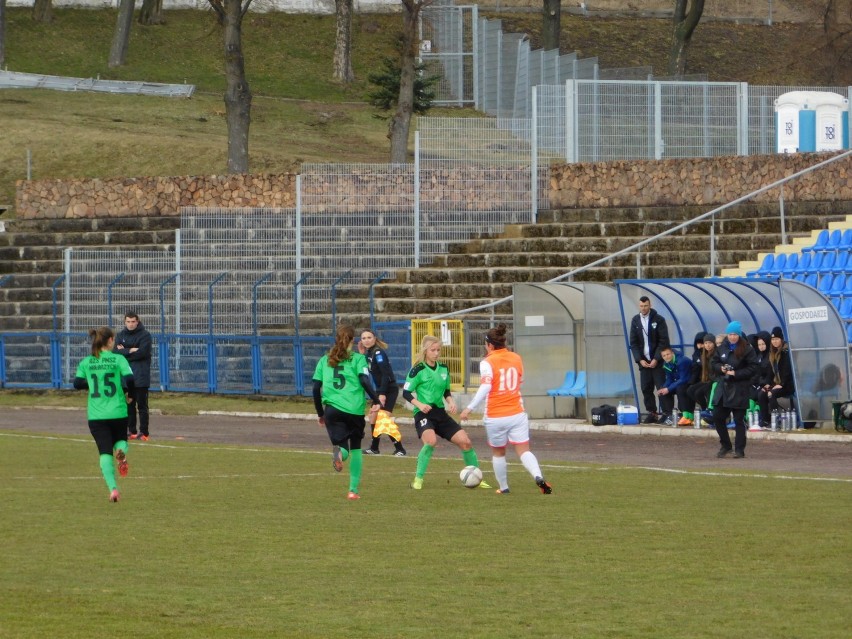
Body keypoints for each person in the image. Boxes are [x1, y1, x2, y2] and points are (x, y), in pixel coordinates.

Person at [459, 323, 552, 495]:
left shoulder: (487, 362)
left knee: (499, 452)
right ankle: (538, 476)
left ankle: (503, 487)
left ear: (490, 345)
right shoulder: (516, 358)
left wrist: (469, 408)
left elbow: (486, 387)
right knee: (524, 450)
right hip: (516, 412)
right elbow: (519, 382)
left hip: (495, 415)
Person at [402, 335, 490, 491]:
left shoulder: (443, 368)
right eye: (433, 350)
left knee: (466, 442)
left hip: (440, 414)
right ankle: (418, 479)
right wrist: (420, 405)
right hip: (423, 414)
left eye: (438, 350)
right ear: (425, 350)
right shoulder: (418, 369)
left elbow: (446, 391)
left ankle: (477, 477)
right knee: (430, 442)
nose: (436, 353)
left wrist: (451, 401)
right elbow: (406, 393)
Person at [312, 324, 382, 501]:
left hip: (332, 410)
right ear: (352, 340)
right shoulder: (358, 359)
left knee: (343, 447)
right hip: (354, 409)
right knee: (356, 448)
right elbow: (365, 380)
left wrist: (320, 413)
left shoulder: (324, 360)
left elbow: (315, 388)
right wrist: (376, 400)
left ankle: (340, 455)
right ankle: (353, 491)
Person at [73, 326, 136, 503]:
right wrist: (131, 395)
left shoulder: (87, 362)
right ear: (110, 341)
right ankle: (122, 451)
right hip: (117, 410)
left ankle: (113, 489)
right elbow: (130, 379)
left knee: (104, 452)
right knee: (121, 440)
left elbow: (77, 383)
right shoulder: (118, 359)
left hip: (96, 415)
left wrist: (94, 385)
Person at [710, 321, 758, 458]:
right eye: (730, 334)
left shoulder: (747, 348)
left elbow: (753, 368)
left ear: (739, 334)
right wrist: (721, 368)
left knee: (738, 420)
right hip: (723, 388)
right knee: (717, 417)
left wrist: (736, 373)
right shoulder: (722, 346)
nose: (732, 337)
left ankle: (739, 450)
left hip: (739, 389)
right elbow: (713, 362)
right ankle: (726, 445)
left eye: (735, 334)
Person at [358, 329, 406, 457]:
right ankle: (374, 448)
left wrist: (382, 394)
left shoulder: (378, 353)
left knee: (383, 419)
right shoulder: (368, 353)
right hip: (380, 390)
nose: (366, 340)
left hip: (388, 389)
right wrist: (362, 355)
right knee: (373, 417)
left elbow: (385, 374)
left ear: (374, 338)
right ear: (361, 341)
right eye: (364, 338)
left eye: (369, 337)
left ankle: (400, 448)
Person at [628, 296, 670, 423]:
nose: (643, 308)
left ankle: (667, 413)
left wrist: (656, 358)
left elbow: (663, 341)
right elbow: (633, 343)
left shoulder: (659, 320)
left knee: (661, 387)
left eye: (646, 306)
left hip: (657, 361)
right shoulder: (635, 320)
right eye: (641, 306)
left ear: (650, 305)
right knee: (646, 388)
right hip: (644, 362)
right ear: (638, 306)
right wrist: (639, 359)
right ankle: (652, 412)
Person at [114, 311, 153, 441]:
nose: (130, 324)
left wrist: (124, 351)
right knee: (128, 406)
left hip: (141, 376)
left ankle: (144, 432)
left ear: (137, 322)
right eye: (128, 322)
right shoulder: (120, 335)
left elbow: (142, 353)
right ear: (125, 322)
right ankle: (132, 431)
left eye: (133, 321)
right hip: (125, 377)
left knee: (142, 406)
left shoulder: (145, 335)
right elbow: (116, 353)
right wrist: (131, 350)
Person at [756, 326, 795, 427]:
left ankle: (775, 420)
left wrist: (781, 384)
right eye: (773, 339)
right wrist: (768, 384)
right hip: (776, 383)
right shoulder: (772, 353)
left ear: (781, 339)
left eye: (777, 339)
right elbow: (770, 372)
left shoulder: (785, 352)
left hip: (787, 385)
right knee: (761, 393)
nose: (775, 341)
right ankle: (765, 419)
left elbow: (787, 371)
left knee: (771, 394)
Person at [686, 333, 720, 425]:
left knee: (699, 392)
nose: (707, 345)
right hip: (708, 379)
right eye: (706, 343)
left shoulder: (717, 354)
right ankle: (705, 409)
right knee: (690, 390)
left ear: (714, 343)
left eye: (710, 343)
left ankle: (708, 412)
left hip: (715, 380)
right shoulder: (704, 354)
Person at [657, 346, 693, 426]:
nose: (666, 357)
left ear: (672, 353)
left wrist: (668, 389)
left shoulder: (682, 361)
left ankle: (686, 416)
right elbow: (669, 379)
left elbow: (683, 379)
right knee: (663, 392)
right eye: (664, 355)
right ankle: (671, 415)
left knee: (680, 389)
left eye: (668, 354)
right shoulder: (666, 364)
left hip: (690, 382)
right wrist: (663, 388)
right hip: (680, 382)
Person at [750, 331, 773, 427]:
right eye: (759, 344)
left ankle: (765, 419)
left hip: (770, 383)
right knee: (749, 393)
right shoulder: (759, 356)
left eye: (763, 344)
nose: (761, 346)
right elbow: (757, 373)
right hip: (760, 383)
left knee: (760, 394)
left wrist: (765, 383)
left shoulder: (770, 355)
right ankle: (750, 417)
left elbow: (771, 373)